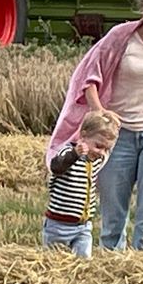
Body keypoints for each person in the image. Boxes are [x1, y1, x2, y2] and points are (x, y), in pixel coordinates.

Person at [45, 0, 143, 252]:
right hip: (117, 137)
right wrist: (100, 113)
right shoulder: (120, 37)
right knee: (113, 217)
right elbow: (89, 79)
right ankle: (111, 273)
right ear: (140, 11)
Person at [42, 109, 120, 258]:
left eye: (106, 149)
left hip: (83, 227)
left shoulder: (96, 160)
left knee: (84, 263)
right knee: (53, 263)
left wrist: (113, 124)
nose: (101, 152)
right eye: (98, 146)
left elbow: (109, 142)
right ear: (83, 135)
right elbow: (56, 167)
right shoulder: (68, 153)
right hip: (58, 225)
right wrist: (75, 154)